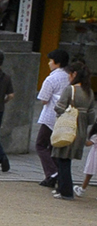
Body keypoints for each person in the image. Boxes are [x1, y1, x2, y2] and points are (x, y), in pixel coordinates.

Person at [48, 63, 92, 200]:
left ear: (74, 74)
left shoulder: (70, 89)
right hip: (81, 129)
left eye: (70, 73)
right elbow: (92, 117)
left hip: (67, 128)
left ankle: (66, 190)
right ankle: (62, 188)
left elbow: (59, 107)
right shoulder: (89, 92)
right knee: (66, 159)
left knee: (63, 159)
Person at [36, 49, 72, 188]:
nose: (49, 63)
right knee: (54, 146)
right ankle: (54, 176)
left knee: (41, 144)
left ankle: (52, 172)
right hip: (65, 116)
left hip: (50, 115)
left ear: (57, 62)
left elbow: (44, 99)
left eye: (51, 61)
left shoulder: (51, 78)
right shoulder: (69, 76)